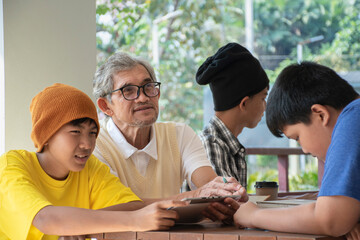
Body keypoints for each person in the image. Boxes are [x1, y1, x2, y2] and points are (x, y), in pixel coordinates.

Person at [0, 83, 189, 240]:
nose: (87, 144)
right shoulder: (13, 165)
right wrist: (135, 220)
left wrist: (81, 226)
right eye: (75, 132)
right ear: (46, 135)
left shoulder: (89, 167)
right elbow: (45, 219)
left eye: (92, 133)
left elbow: (132, 205)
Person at [92, 51, 247, 203]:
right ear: (105, 106)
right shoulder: (94, 144)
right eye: (128, 91)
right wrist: (195, 196)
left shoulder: (179, 134)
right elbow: (119, 206)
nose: (143, 97)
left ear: (157, 93)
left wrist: (225, 192)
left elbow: (208, 183)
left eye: (148, 87)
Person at [233, 61, 360, 238]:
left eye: (297, 138)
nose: (305, 150)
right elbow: (338, 216)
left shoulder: (352, 120)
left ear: (320, 114)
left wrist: (253, 216)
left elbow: (329, 220)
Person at [196, 42, 269, 189]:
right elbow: (231, 206)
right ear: (244, 104)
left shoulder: (227, 145)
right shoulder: (212, 145)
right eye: (263, 98)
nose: (265, 106)